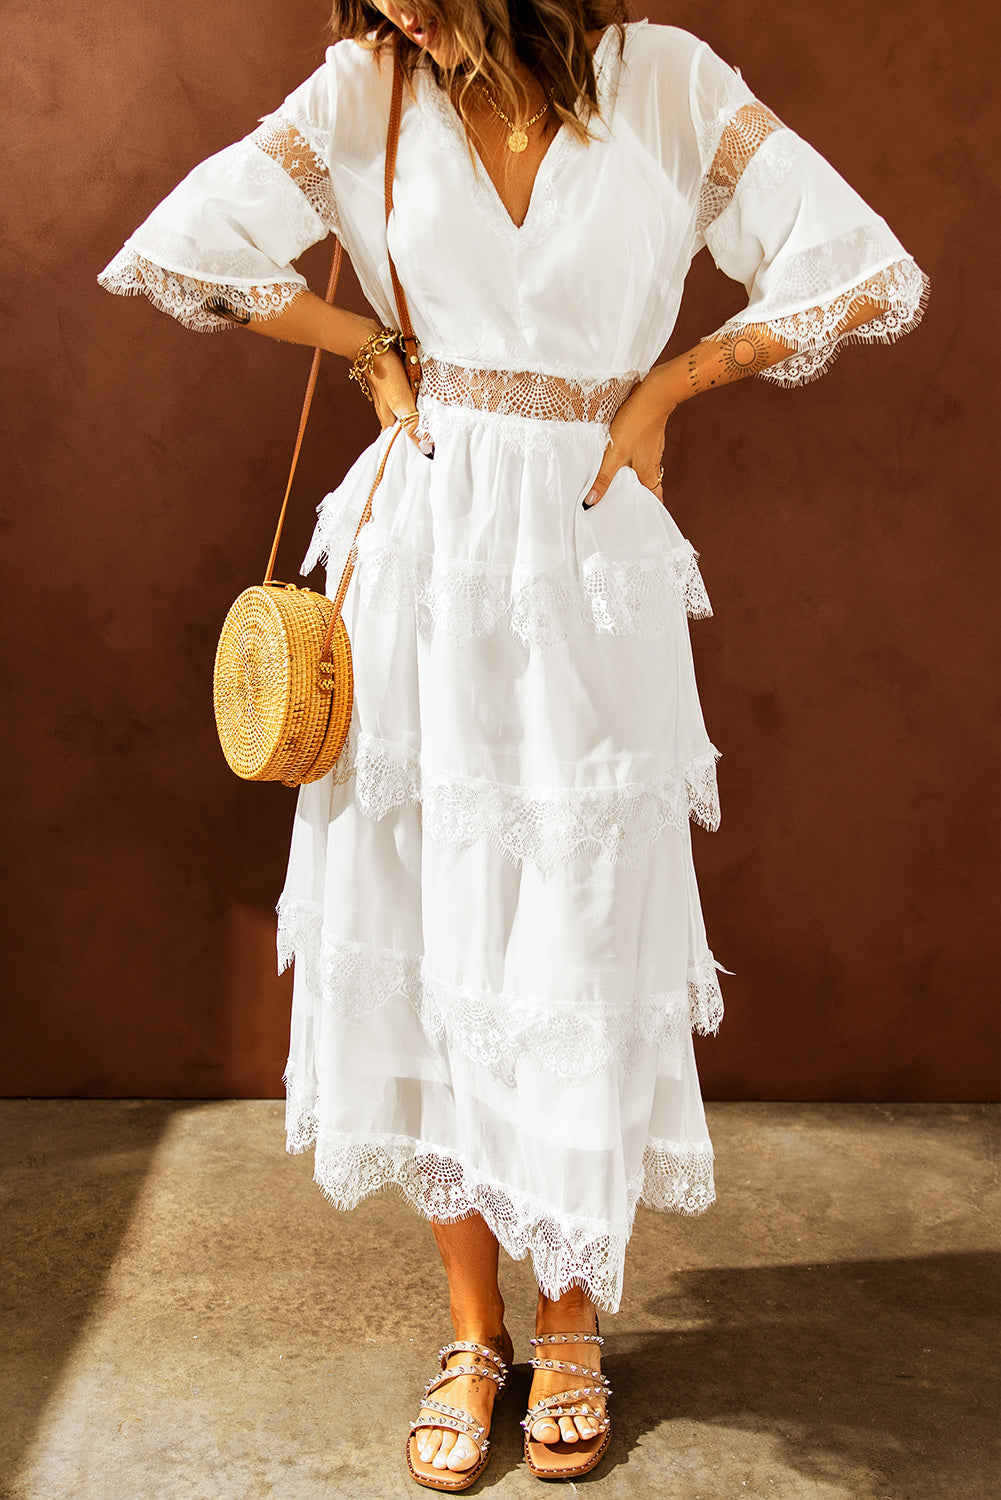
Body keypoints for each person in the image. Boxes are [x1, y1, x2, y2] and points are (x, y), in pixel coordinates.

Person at [99, 0, 926, 1486]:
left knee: (571, 936)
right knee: (422, 923)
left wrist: (671, 382)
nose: (395, 8)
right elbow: (180, 245)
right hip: (416, 549)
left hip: (587, 557)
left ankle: (567, 1327)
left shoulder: (662, 80)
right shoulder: (370, 87)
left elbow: (855, 269)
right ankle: (471, 1330)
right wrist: (360, 341)